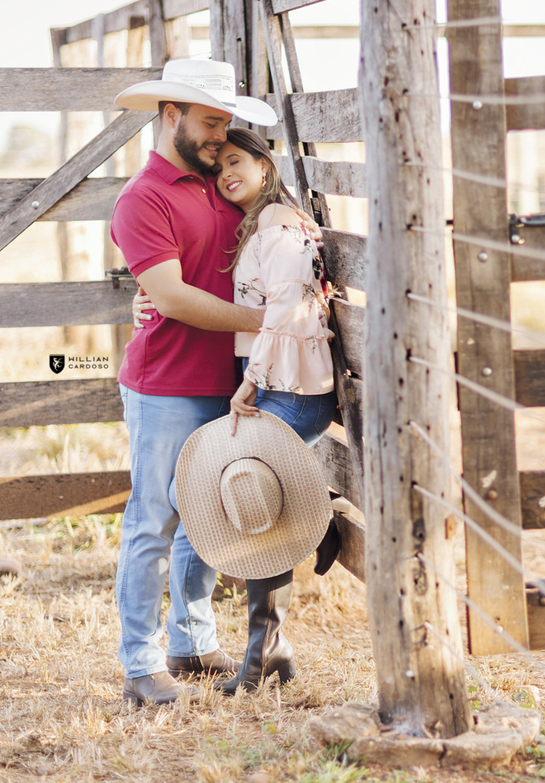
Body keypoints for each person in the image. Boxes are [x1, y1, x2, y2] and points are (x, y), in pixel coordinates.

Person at [139, 128, 343, 694]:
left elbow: (285, 309)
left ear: (263, 163)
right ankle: (228, 645)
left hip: (291, 387)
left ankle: (266, 651)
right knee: (213, 495)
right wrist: (149, 294)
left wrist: (251, 381)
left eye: (237, 161)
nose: (227, 173)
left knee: (246, 493)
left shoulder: (278, 226)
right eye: (219, 166)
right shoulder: (257, 223)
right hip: (277, 381)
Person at [110, 58, 286, 706]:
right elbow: (176, 299)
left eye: (227, 123)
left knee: (206, 517)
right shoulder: (142, 198)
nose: (221, 135)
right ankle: (140, 665)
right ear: (171, 115)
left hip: (228, 379)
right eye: (211, 122)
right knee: (153, 518)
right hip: (167, 382)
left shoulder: (225, 182)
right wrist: (269, 322)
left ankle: (189, 641)